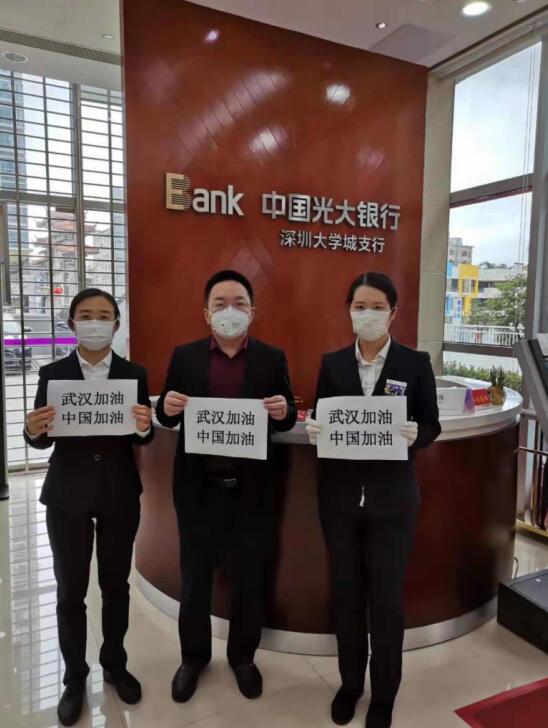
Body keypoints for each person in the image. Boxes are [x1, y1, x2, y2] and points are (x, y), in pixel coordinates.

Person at [306, 272, 440, 728]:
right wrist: (316, 428)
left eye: (377, 306)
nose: (368, 314)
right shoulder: (332, 364)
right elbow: (323, 416)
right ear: (349, 312)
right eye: (359, 306)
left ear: (393, 312)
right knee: (346, 597)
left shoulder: (414, 363)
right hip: (340, 501)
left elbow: (432, 424)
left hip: (392, 502)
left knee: (386, 603)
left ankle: (384, 694)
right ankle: (350, 684)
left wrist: (417, 434)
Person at [156, 270, 297, 704]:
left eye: (239, 303)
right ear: (206, 313)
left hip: (252, 491)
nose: (229, 311)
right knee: (195, 579)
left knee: (249, 579)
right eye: (220, 304)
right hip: (198, 490)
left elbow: (287, 417)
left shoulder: (272, 358)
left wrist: (283, 411)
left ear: (252, 311)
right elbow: (166, 414)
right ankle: (193, 658)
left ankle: (243, 659)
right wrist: (167, 406)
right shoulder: (185, 357)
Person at [24, 288, 154, 727]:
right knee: (70, 591)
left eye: (103, 316)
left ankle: (114, 663)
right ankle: (74, 677)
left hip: (119, 492)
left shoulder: (134, 374)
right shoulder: (53, 373)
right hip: (67, 494)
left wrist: (144, 427)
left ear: (116, 325)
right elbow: (42, 438)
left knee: (116, 585)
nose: (95, 322)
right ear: (71, 323)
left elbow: (142, 436)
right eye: (86, 315)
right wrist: (32, 429)